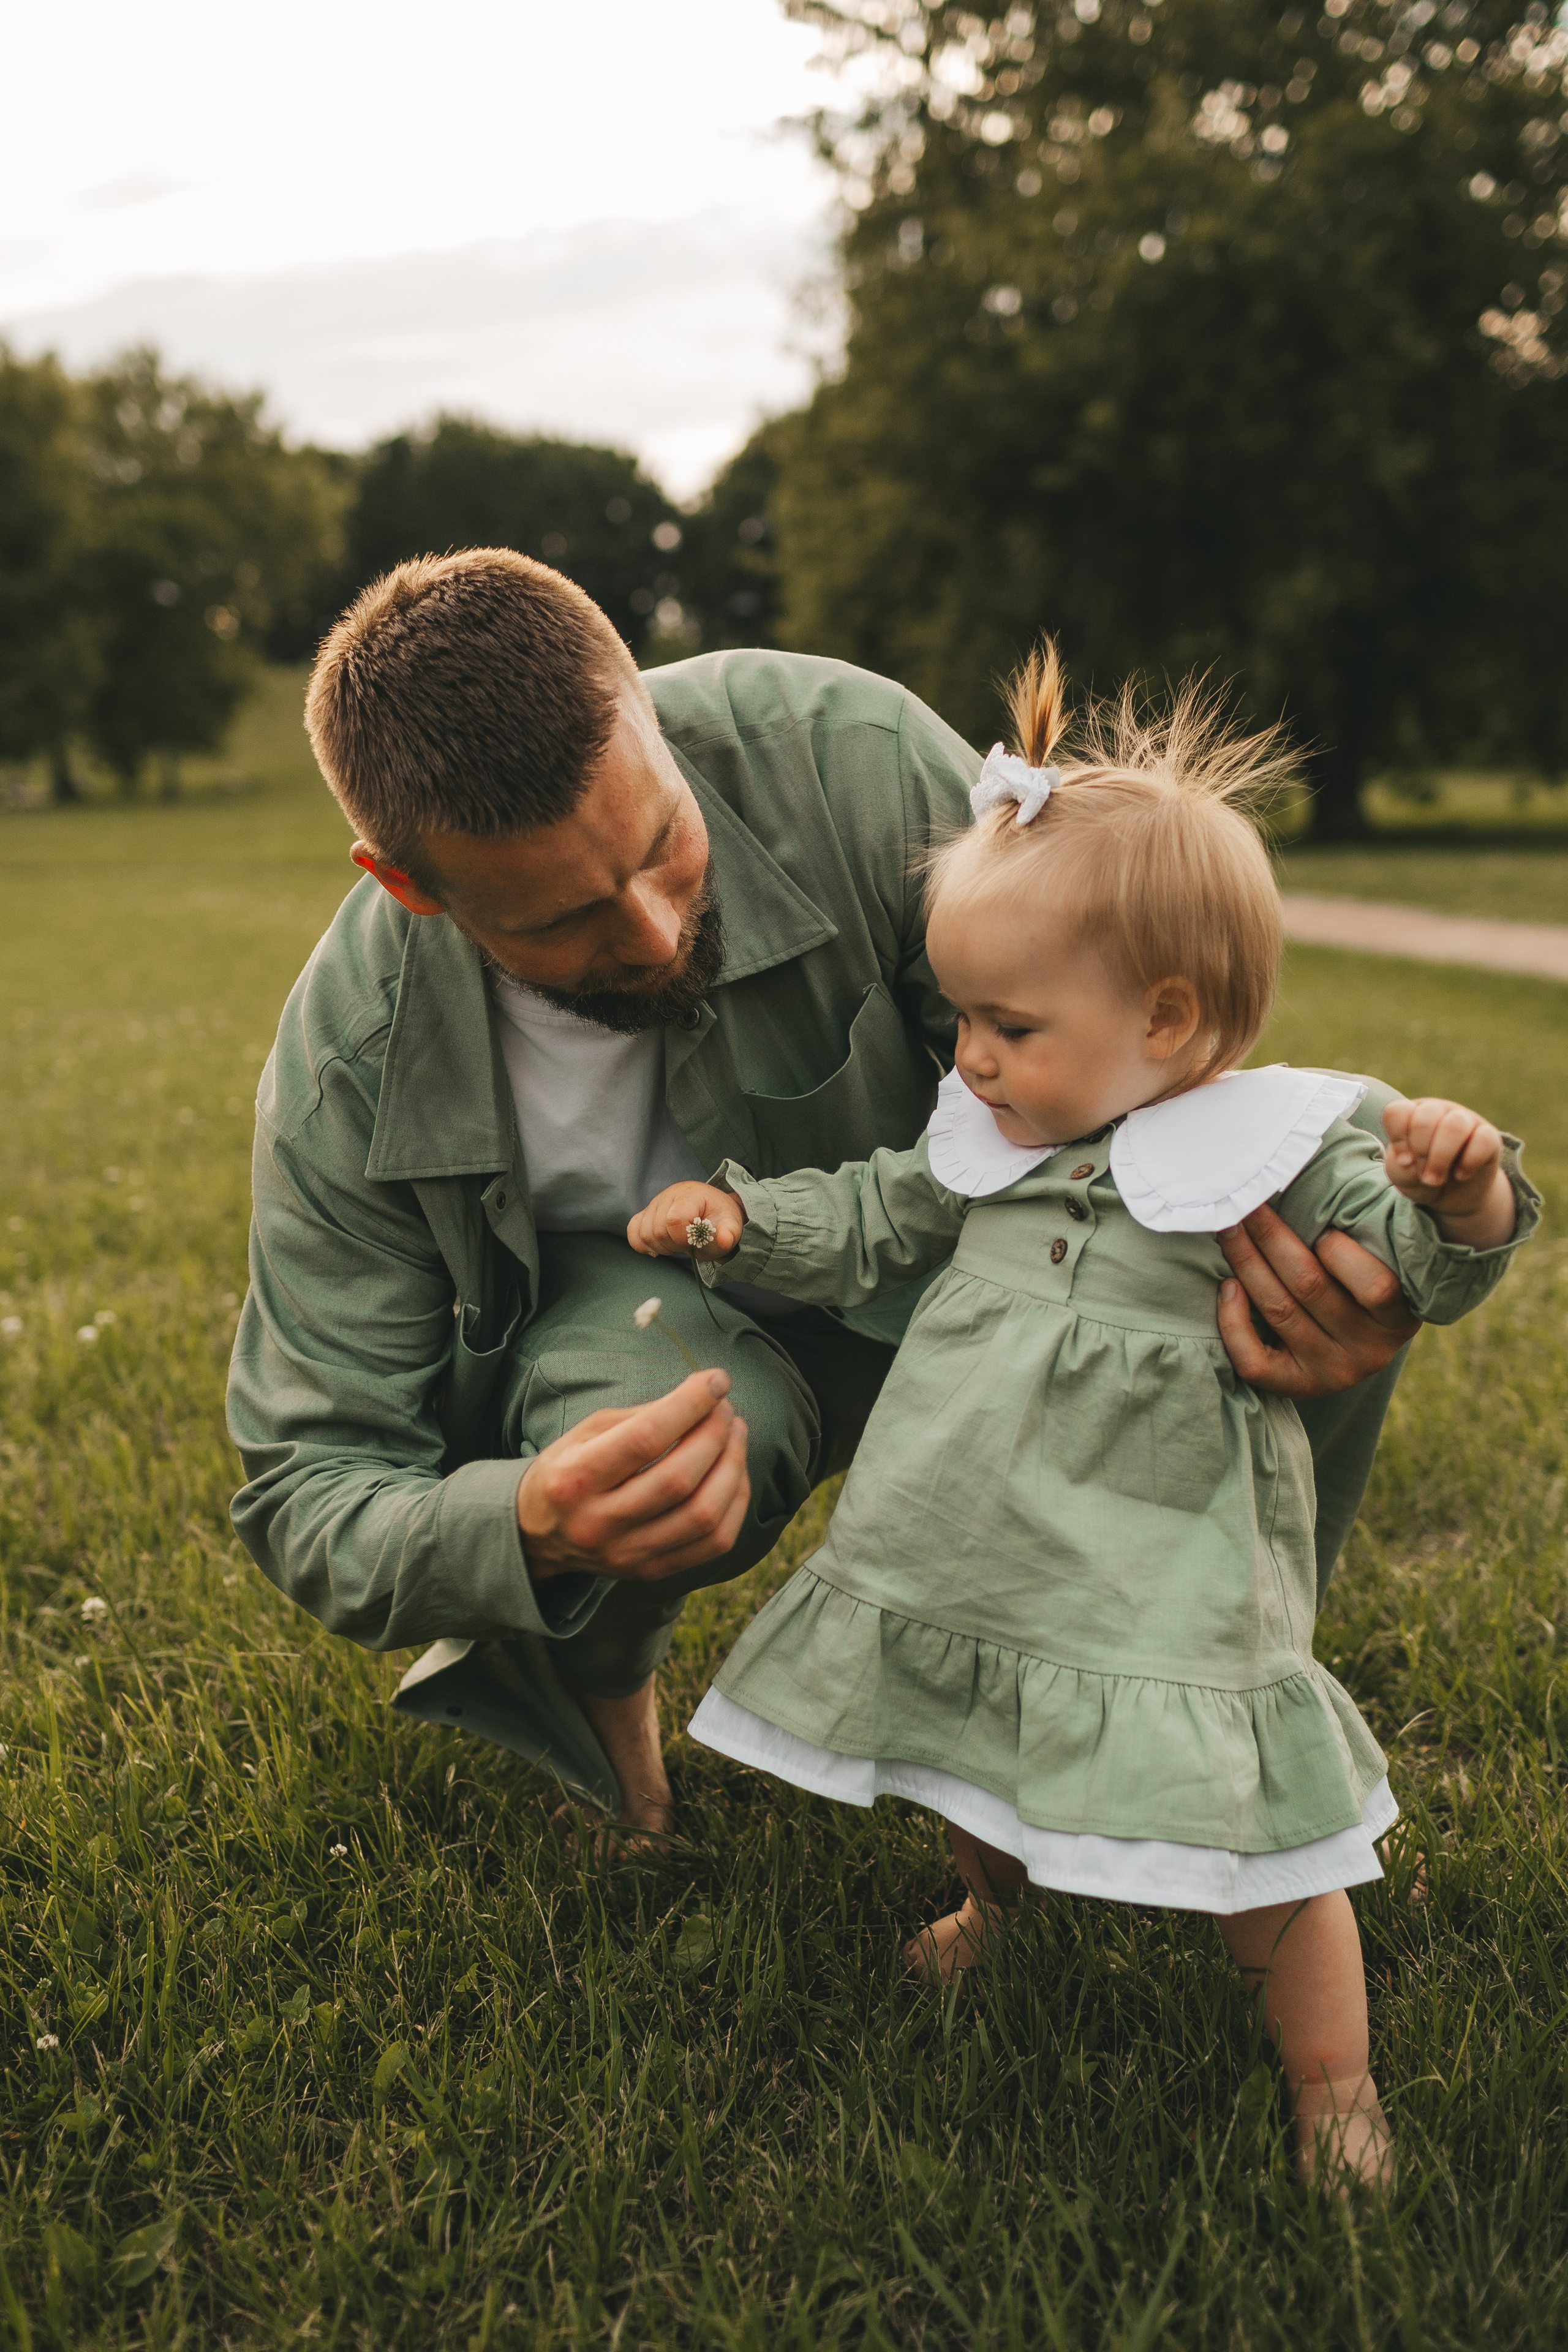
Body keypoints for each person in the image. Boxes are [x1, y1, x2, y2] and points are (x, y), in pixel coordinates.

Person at [228, 549, 1420, 1841]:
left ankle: (1232, 1701)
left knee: (1307, 1184)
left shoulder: (841, 751)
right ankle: (595, 1675)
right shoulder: (349, 1066)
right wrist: (529, 1521)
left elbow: (1121, 1032)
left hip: (964, 1238)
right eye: (561, 921)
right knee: (674, 1422)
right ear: (405, 884)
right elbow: (311, 1479)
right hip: (652, 1320)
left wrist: (1316, 1285)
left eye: (663, 846)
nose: (649, 933)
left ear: (649, 706)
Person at [628, 647, 1536, 2185]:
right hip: (972, 1526)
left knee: (1263, 1840)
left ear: (1169, 1019)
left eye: (1005, 1021)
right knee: (969, 1735)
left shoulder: (1284, 1136)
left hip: (1164, 1547)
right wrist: (738, 1220)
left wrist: (1461, 1193)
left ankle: (1334, 2091)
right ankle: (997, 1904)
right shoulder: (983, 1126)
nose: (967, 1052)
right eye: (961, 1014)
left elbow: (1407, 1268)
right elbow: (866, 1218)